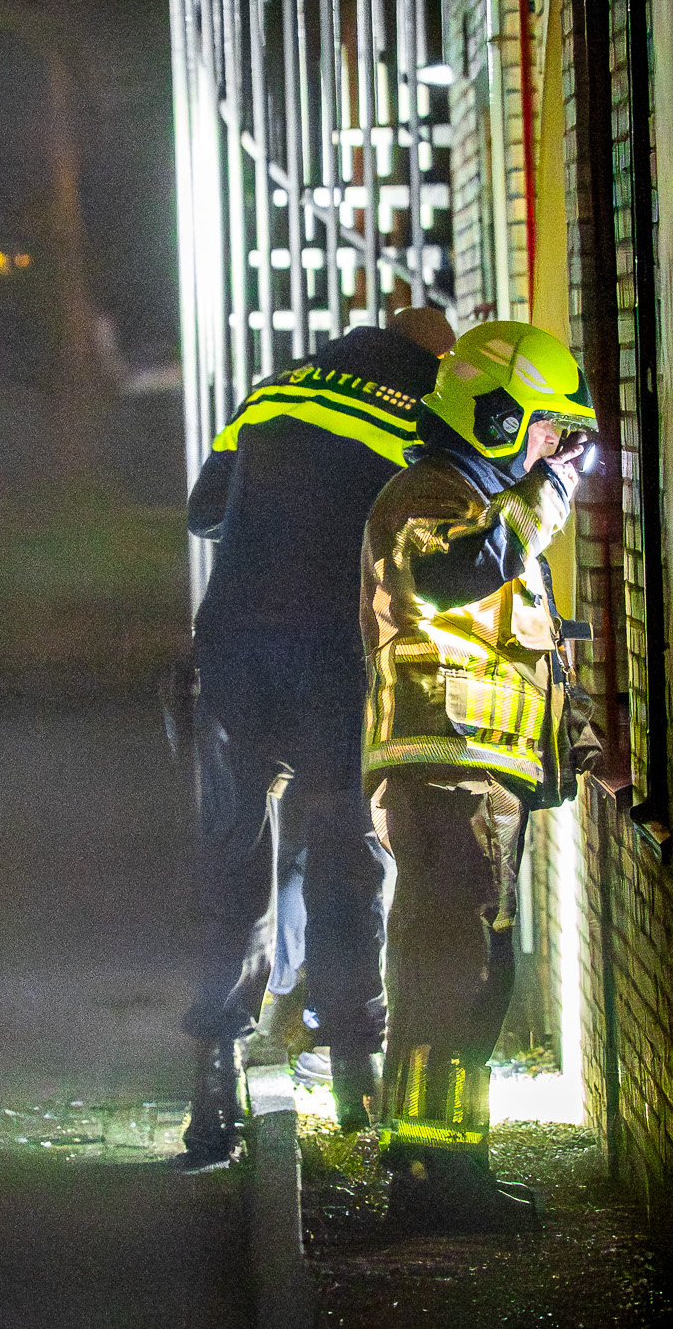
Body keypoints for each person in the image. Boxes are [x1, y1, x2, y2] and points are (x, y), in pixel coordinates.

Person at [176, 307, 457, 1170]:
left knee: (234, 863)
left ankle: (212, 1086)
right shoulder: (430, 410)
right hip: (335, 654)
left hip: (233, 649)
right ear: (435, 359)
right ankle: (353, 1075)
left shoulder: (275, 392)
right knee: (344, 848)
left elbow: (204, 512)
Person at [358, 320, 599, 1231]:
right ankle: (429, 1181)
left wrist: (585, 749)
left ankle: (450, 1165)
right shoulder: (429, 495)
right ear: (499, 418)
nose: (552, 454)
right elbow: (456, 573)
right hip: (444, 774)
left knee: (472, 976)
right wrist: (550, 494)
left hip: (475, 779)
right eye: (546, 432)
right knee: (446, 976)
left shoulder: (483, 504)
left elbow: (519, 655)